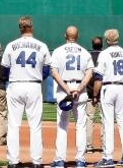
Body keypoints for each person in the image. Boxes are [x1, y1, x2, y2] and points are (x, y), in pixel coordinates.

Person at [1, 15, 52, 167]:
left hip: (15, 85)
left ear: (20, 28)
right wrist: (37, 77)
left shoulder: (11, 45)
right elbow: (47, 70)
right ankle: (36, 162)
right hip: (33, 86)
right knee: (35, 125)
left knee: (13, 125)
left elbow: (4, 71)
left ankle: (13, 161)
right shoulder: (41, 45)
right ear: (32, 27)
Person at [51, 25, 95, 168]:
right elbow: (89, 73)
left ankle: (59, 160)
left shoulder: (58, 51)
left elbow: (54, 73)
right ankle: (80, 160)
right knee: (81, 126)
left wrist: (67, 89)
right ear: (77, 36)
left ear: (65, 35)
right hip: (80, 90)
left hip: (64, 90)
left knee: (62, 126)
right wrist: (78, 89)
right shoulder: (84, 52)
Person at [94, 28, 123, 167]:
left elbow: (98, 77)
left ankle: (108, 158)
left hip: (108, 87)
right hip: (121, 88)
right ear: (118, 38)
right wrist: (121, 78)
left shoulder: (104, 53)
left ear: (107, 40)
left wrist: (95, 95)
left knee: (108, 123)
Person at [88, 36, 104, 154]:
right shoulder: (106, 55)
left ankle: (88, 146)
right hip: (104, 92)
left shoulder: (88, 56)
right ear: (102, 45)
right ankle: (105, 145)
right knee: (105, 119)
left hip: (89, 91)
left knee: (89, 119)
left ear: (92, 45)